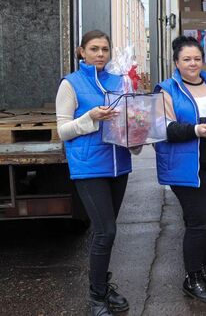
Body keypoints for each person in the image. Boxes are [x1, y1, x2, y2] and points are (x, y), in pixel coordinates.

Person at [154, 35, 206, 303]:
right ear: (176, 62)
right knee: (199, 221)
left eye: (197, 58)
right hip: (187, 165)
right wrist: (196, 130)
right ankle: (191, 279)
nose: (193, 63)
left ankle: (202, 272)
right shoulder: (166, 90)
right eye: (187, 59)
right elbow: (163, 128)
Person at [56, 30, 133, 316]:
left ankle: (103, 284)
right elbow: (63, 130)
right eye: (94, 49)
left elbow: (130, 119)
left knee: (109, 234)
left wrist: (138, 129)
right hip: (89, 167)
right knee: (105, 231)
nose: (100, 54)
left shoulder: (119, 80)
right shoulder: (71, 84)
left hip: (119, 165)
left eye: (104, 49)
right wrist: (90, 117)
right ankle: (97, 296)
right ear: (82, 52)